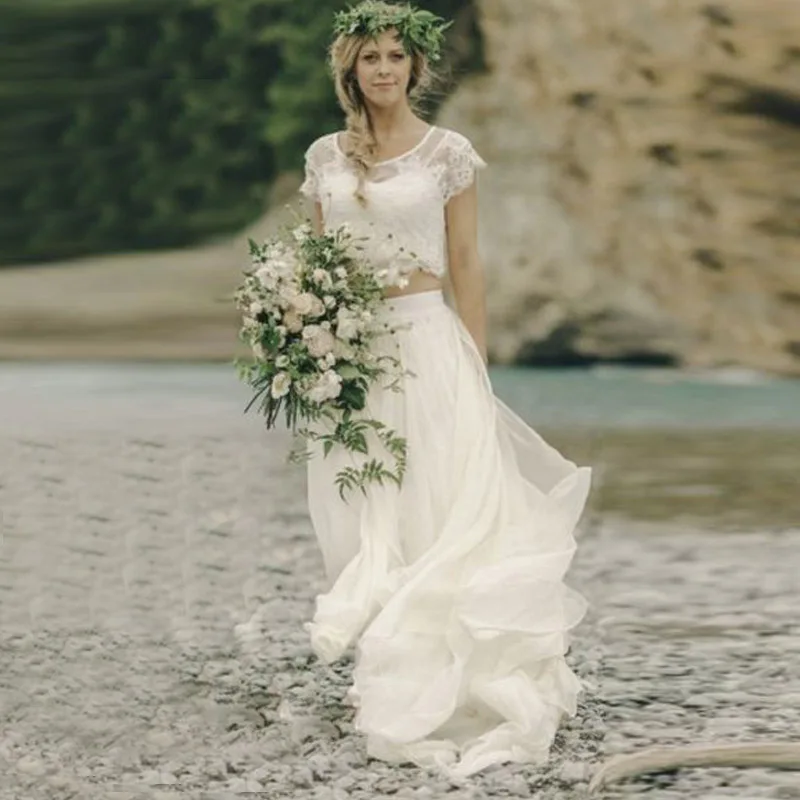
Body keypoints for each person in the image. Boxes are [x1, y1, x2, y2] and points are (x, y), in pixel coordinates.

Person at [297, 0, 592, 779]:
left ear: (416, 67)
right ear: (350, 70)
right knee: (375, 500)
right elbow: (315, 266)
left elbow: (467, 262)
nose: (385, 69)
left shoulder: (448, 153)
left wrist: (477, 357)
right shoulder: (326, 154)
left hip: (431, 342)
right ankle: (388, 650)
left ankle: (453, 664)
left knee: (446, 494)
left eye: (396, 56)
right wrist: (306, 342)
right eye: (371, 58)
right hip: (356, 354)